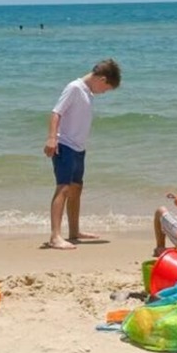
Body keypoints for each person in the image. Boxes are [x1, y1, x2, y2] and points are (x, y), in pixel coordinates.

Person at [43, 58, 122, 249]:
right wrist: (52, 138)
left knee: (76, 188)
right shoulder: (75, 88)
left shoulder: (88, 93)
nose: (104, 92)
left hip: (78, 148)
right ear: (102, 79)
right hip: (65, 145)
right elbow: (56, 113)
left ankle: (74, 231)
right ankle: (55, 236)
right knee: (63, 188)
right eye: (106, 89)